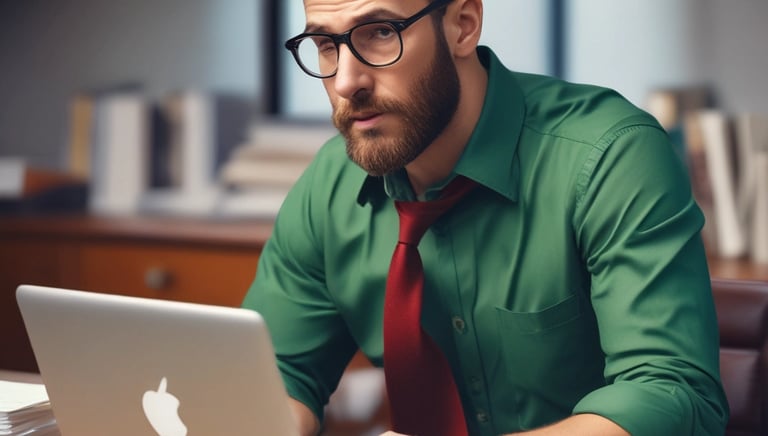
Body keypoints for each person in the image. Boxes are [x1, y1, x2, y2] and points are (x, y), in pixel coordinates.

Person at [241, 0, 729, 434]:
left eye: (382, 32)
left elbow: (672, 394)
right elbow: (275, 375)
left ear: (463, 25)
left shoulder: (610, 157)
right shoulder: (329, 186)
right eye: (326, 45)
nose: (347, 82)